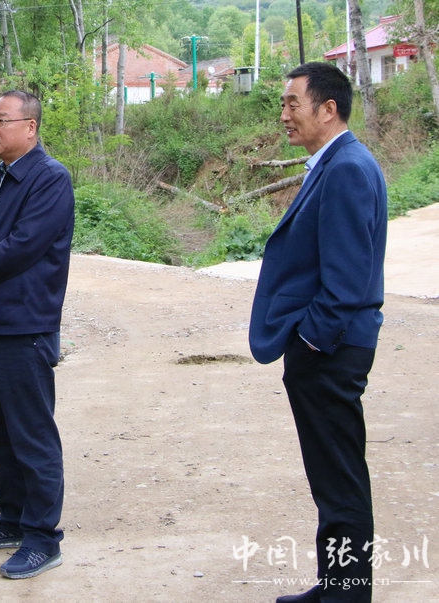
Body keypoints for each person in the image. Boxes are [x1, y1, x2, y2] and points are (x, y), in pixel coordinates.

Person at [249, 62, 387, 603]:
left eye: (291, 103)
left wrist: (309, 339)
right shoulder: (332, 163)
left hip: (330, 349)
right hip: (324, 346)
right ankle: (336, 587)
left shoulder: (348, 167)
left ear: (328, 109)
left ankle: (347, 596)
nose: (283, 114)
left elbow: (348, 279)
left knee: (341, 481)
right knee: (332, 479)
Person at [0, 90, 75, 580]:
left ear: (31, 127)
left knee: (32, 433)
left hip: (26, 326)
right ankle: (13, 519)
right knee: (0, 430)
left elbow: (23, 247)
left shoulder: (49, 178)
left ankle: (44, 537)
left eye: (3, 120)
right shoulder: (0, 177)